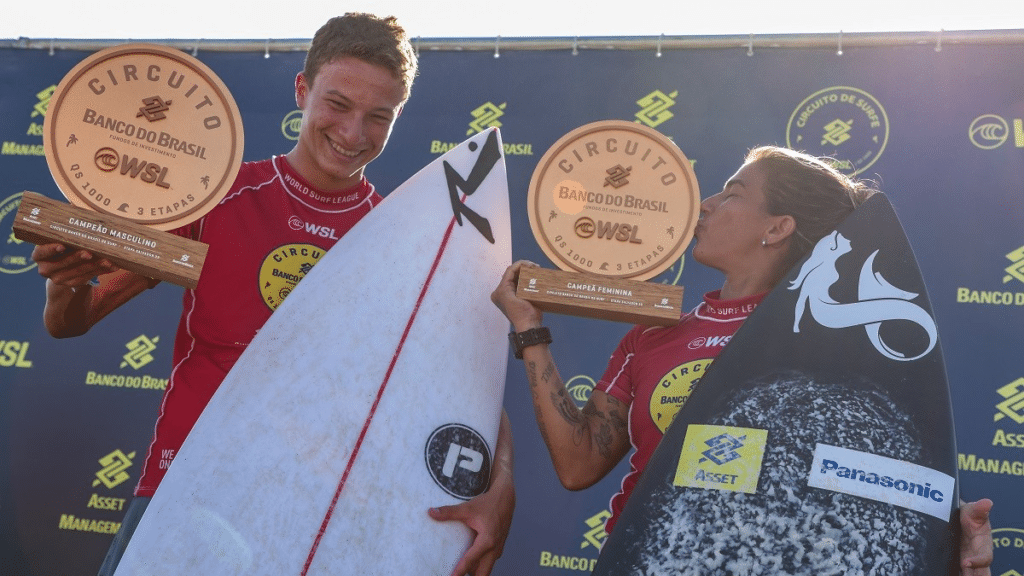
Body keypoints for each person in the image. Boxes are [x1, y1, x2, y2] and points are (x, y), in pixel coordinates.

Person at [33, 13, 513, 576]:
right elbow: (72, 321)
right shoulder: (216, 197)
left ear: (397, 116)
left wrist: (501, 484)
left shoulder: (400, 238)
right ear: (303, 91)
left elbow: (468, 380)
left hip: (317, 514)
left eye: (378, 117)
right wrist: (63, 286)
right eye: (337, 104)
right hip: (187, 485)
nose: (354, 133)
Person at [491, 145, 992, 573]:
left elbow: (872, 478)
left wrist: (947, 533)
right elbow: (579, 464)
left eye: (731, 193)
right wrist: (529, 329)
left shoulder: (833, 343)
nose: (705, 205)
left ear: (776, 228)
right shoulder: (652, 337)